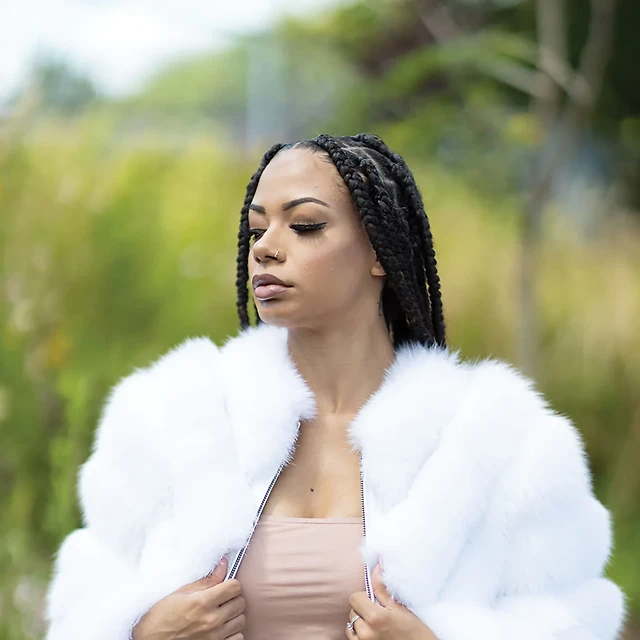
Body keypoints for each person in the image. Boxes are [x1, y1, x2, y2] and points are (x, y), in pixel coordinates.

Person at [44, 133, 626, 640]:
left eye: (305, 226)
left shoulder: (496, 441)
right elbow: (81, 608)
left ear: (379, 252)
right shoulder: (174, 416)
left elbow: (575, 623)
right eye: (257, 229)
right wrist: (140, 630)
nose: (265, 247)